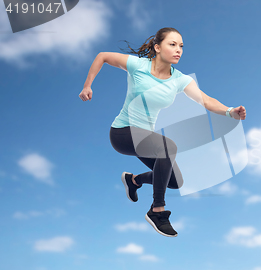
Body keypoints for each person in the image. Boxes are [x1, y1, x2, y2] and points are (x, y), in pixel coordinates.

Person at [78, 27, 246, 237]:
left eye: (181, 46)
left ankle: (134, 181)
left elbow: (207, 101)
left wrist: (230, 112)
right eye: (172, 44)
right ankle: (157, 210)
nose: (179, 50)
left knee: (175, 181)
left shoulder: (179, 79)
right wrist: (87, 86)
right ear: (157, 47)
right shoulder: (138, 65)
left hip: (146, 138)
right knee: (169, 147)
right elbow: (102, 56)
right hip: (123, 133)